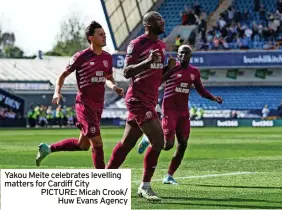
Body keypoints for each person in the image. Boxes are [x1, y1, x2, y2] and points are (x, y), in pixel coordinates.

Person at [106, 11, 176, 201]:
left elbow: (157, 80)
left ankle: (104, 177)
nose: (163, 23)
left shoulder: (161, 46)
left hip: (150, 100)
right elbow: (127, 72)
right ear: (147, 25)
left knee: (127, 143)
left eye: (162, 20)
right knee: (159, 142)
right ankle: (145, 186)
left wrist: (168, 70)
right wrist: (146, 62)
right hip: (137, 99)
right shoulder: (136, 44)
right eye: (158, 21)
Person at [35, 21, 124, 168]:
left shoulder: (108, 58)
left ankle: (48, 149)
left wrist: (114, 87)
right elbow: (62, 76)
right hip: (85, 105)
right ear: (91, 37)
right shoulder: (81, 56)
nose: (104, 37)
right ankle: (102, 183)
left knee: (83, 145)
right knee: (97, 143)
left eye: (104, 34)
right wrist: (57, 92)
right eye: (100, 34)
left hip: (98, 105)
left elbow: (108, 78)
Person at [138, 45, 223, 185]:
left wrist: (213, 98)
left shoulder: (194, 72)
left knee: (183, 143)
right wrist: (168, 69)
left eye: (187, 53)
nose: (184, 55)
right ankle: (149, 137)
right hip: (169, 110)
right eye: (181, 53)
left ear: (190, 56)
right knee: (167, 145)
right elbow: (158, 82)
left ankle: (169, 176)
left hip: (183, 112)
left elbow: (200, 90)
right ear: (177, 55)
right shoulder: (172, 68)